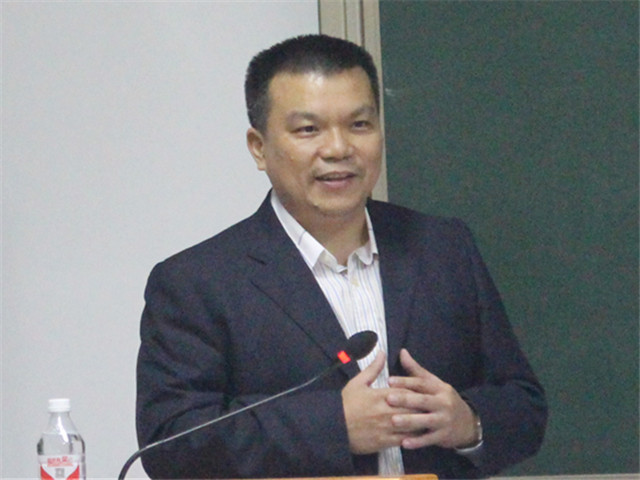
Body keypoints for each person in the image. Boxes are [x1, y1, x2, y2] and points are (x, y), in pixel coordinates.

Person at [136, 34, 547, 479]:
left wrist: (468, 421)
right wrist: (333, 427)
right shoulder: (197, 282)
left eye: (359, 124)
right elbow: (171, 446)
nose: (338, 149)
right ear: (259, 147)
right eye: (308, 130)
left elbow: (523, 404)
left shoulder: (443, 248)